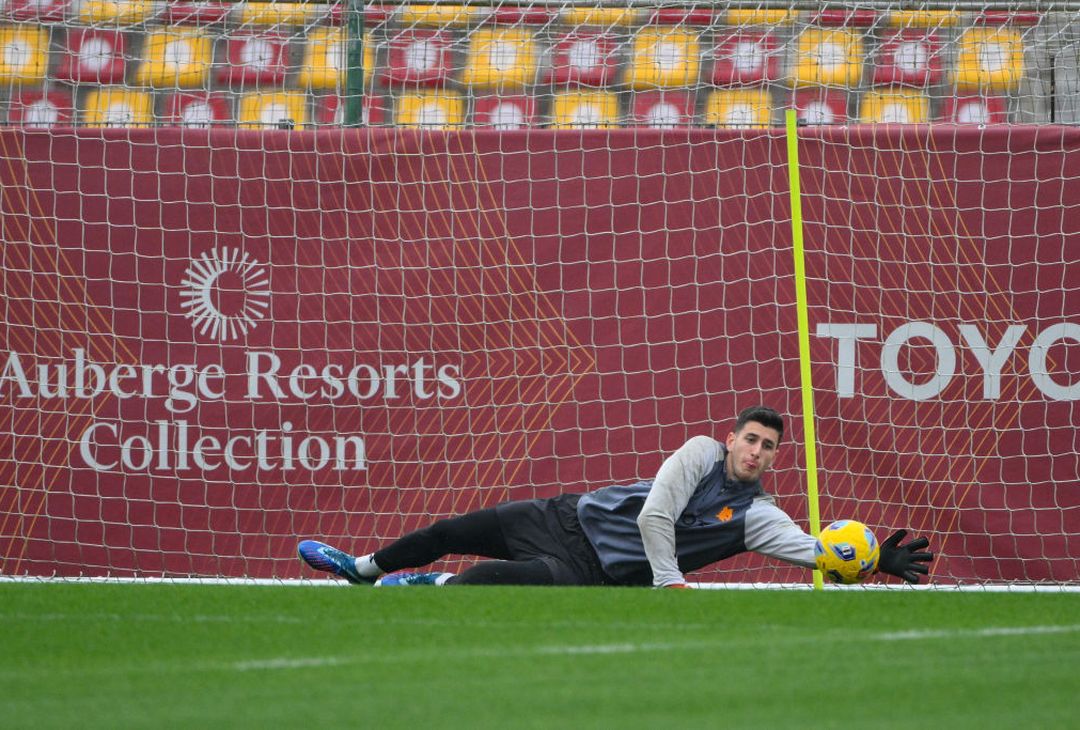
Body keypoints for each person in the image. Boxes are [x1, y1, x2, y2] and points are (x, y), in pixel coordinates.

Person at [298, 405, 933, 587]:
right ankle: (360, 568)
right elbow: (657, 513)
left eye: (768, 447)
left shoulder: (757, 516)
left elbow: (809, 549)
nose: (756, 452)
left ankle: (427, 590)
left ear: (774, 458)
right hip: (563, 516)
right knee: (447, 532)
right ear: (732, 438)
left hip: (589, 570)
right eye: (751, 439)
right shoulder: (697, 453)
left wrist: (872, 560)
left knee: (485, 579)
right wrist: (668, 581)